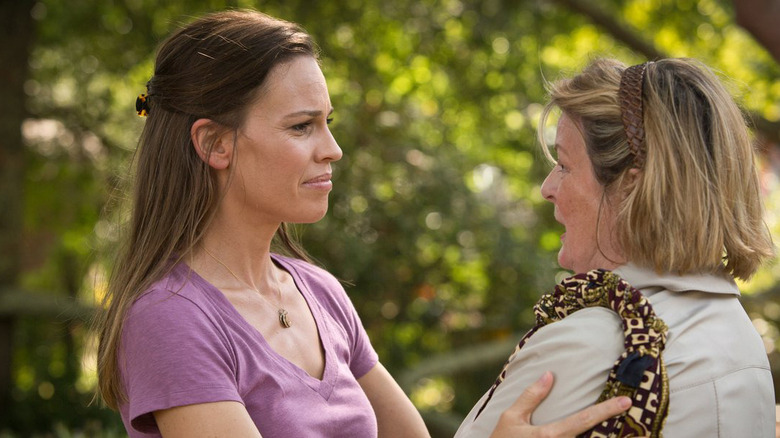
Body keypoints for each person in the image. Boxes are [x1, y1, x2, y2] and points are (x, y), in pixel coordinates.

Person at [95, 9, 632, 438]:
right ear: (215, 143)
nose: (333, 149)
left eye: (328, 123)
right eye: (302, 126)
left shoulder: (319, 293)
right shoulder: (169, 320)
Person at [455, 57, 776, 437]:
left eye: (564, 165)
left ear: (629, 187)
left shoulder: (591, 345)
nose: (547, 188)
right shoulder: (739, 335)